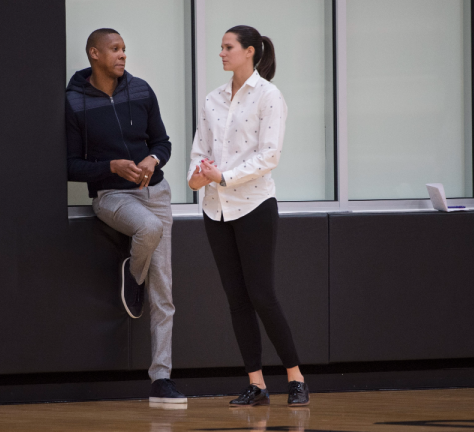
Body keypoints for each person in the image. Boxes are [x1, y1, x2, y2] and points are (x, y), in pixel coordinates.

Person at [187, 25, 309, 407]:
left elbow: (269, 155)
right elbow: (199, 150)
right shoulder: (212, 100)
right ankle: (256, 384)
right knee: (236, 298)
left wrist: (223, 175)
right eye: (221, 47)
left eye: (228, 47)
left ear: (250, 52)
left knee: (262, 295)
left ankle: (296, 377)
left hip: (254, 205)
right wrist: (197, 176)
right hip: (215, 208)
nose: (221, 53)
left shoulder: (269, 96)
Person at [66, 28, 185, 403]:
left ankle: (161, 378)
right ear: (94, 54)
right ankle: (134, 275)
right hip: (111, 195)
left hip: (156, 191)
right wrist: (112, 167)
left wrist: (153, 159)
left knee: (164, 289)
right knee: (147, 229)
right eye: (115, 49)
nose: (122, 56)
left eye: (124, 49)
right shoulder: (73, 102)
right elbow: (69, 165)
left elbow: (162, 142)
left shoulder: (142, 91)